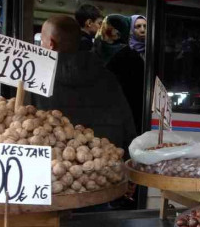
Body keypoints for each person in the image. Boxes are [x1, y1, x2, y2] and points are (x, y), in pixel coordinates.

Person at [35, 15, 137, 152]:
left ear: (51, 44)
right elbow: (127, 127)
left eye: (42, 41)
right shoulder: (107, 77)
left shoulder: (37, 79)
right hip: (104, 165)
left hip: (52, 166)